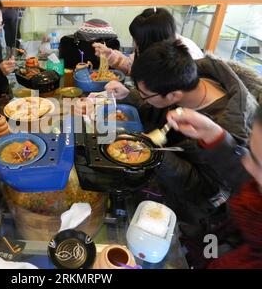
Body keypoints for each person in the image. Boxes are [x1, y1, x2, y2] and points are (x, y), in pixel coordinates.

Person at [106, 39, 258, 230]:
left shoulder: (227, 129)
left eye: (145, 94)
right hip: (163, 175)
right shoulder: (187, 78)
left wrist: (155, 154)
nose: (143, 96)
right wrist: (130, 95)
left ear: (174, 96)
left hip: (189, 214)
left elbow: (203, 190)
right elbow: (157, 103)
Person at [165, 106, 262, 268]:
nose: (245, 162)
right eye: (250, 152)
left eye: (256, 162)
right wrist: (212, 134)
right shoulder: (251, 211)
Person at [93, 7, 203, 76]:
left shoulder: (184, 60)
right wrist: (110, 56)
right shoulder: (155, 45)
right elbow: (133, 66)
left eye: (137, 40)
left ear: (151, 40)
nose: (134, 44)